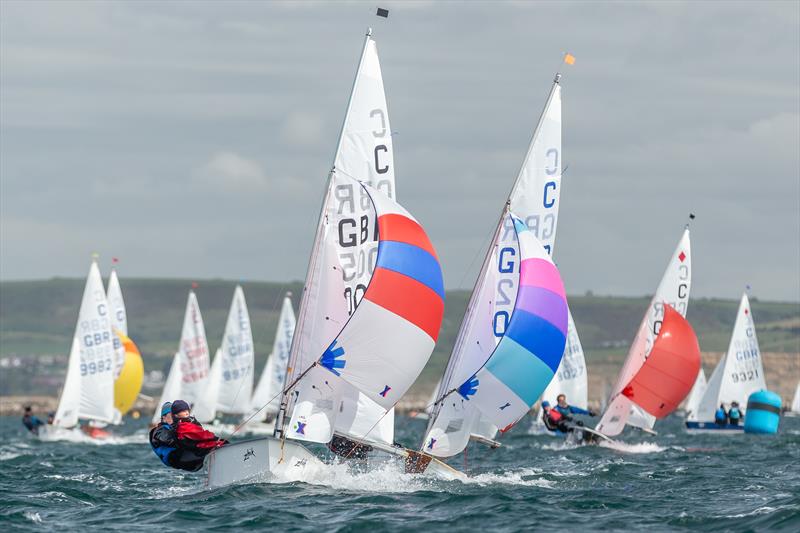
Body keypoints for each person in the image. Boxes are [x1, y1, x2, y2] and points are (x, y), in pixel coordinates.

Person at [170, 400, 228, 470]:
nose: (186, 412)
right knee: (224, 443)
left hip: (193, 450)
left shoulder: (185, 423)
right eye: (182, 411)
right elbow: (201, 435)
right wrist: (216, 438)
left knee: (219, 443)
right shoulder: (183, 426)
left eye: (187, 410)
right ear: (176, 415)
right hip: (195, 451)